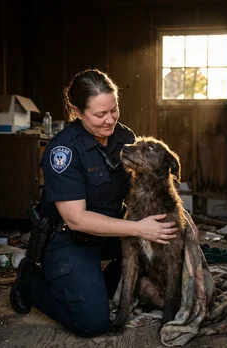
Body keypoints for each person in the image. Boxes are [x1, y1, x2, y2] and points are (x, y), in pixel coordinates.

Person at [9, 68, 178, 337]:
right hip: (69, 239)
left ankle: (92, 283)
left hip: (110, 234)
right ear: (77, 112)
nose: (110, 119)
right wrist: (139, 229)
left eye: (114, 109)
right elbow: (76, 219)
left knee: (160, 255)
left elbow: (147, 184)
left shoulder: (124, 137)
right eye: (100, 114)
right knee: (92, 322)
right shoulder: (63, 151)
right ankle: (28, 281)